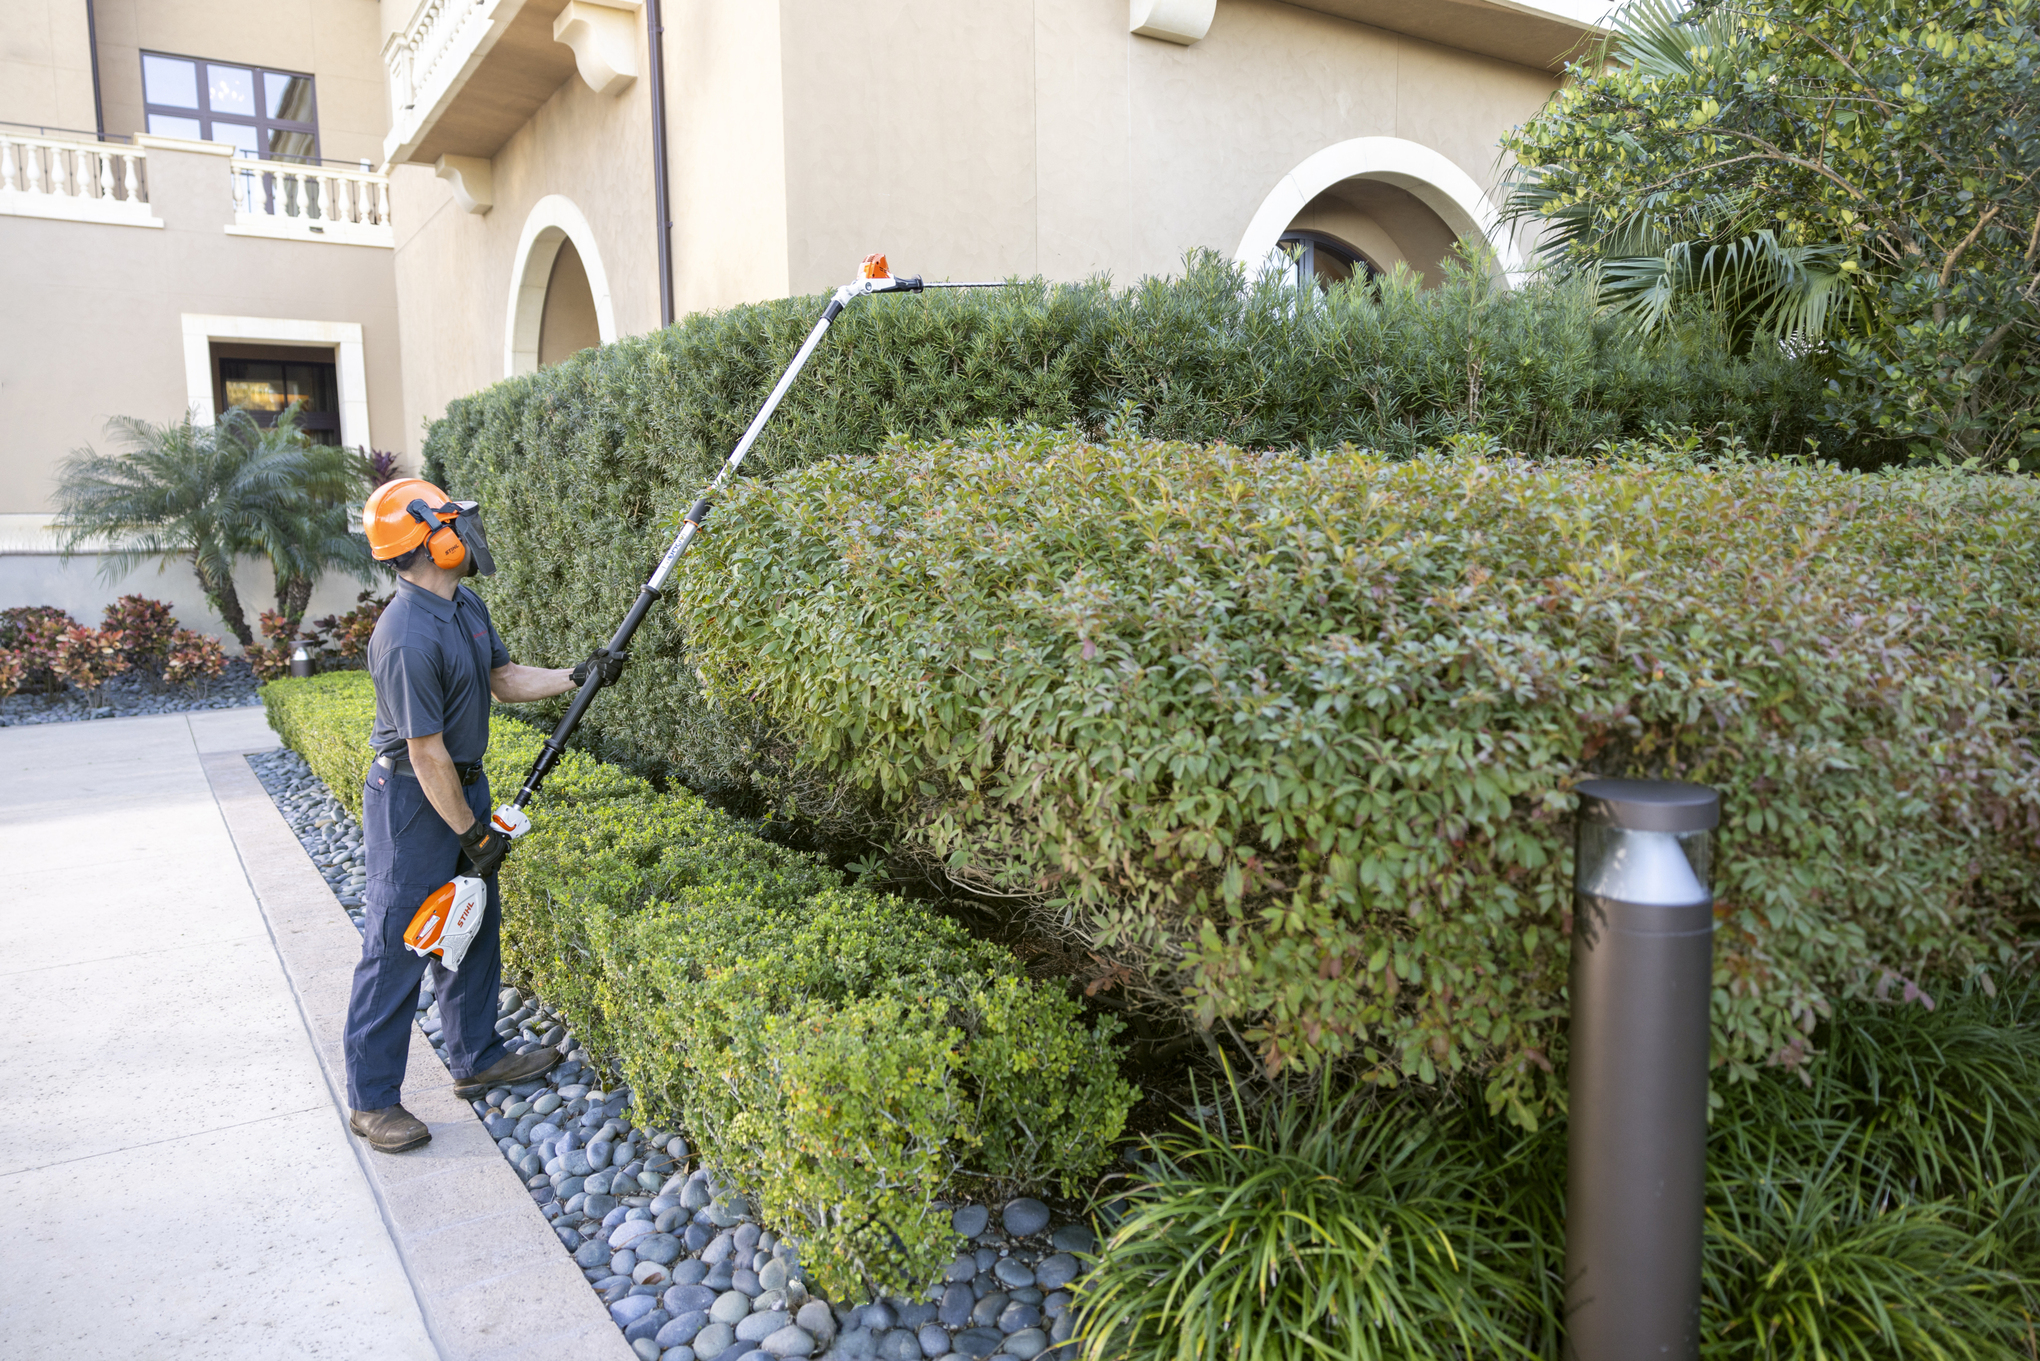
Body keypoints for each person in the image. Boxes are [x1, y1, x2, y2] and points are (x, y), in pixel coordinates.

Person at [345, 479, 626, 1153]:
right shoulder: (406, 635)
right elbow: (426, 749)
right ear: (429, 542)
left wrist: (577, 674)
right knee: (403, 940)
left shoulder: (464, 603)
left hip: (460, 784)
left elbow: (503, 678)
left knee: (470, 918)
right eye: (455, 524)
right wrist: (471, 832)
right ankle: (372, 1099)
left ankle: (476, 1056)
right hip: (415, 799)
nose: (470, 534)